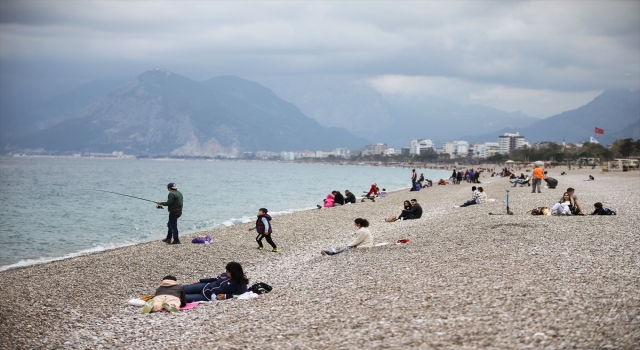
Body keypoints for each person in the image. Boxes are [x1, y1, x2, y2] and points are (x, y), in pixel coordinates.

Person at [183, 262, 249, 302]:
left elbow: (243, 295)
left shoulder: (240, 284)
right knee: (181, 289)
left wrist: (226, 296)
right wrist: (199, 280)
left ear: (233, 272)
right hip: (205, 286)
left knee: (181, 297)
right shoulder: (225, 275)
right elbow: (214, 279)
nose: (226, 272)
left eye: (228, 271)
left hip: (207, 296)